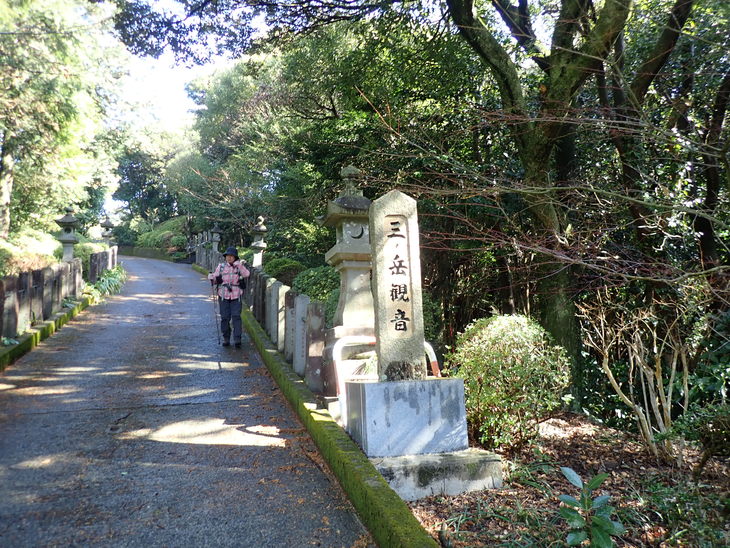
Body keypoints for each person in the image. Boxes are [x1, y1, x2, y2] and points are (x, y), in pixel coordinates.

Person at [208, 246, 250, 347]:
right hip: (223, 295)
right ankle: (226, 338)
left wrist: (239, 265)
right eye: (228, 256)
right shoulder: (221, 267)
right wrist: (211, 277)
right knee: (225, 317)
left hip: (236, 295)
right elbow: (215, 277)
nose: (229, 258)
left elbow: (247, 274)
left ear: (235, 257)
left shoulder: (239, 266)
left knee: (236, 316)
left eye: (232, 256)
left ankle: (237, 339)